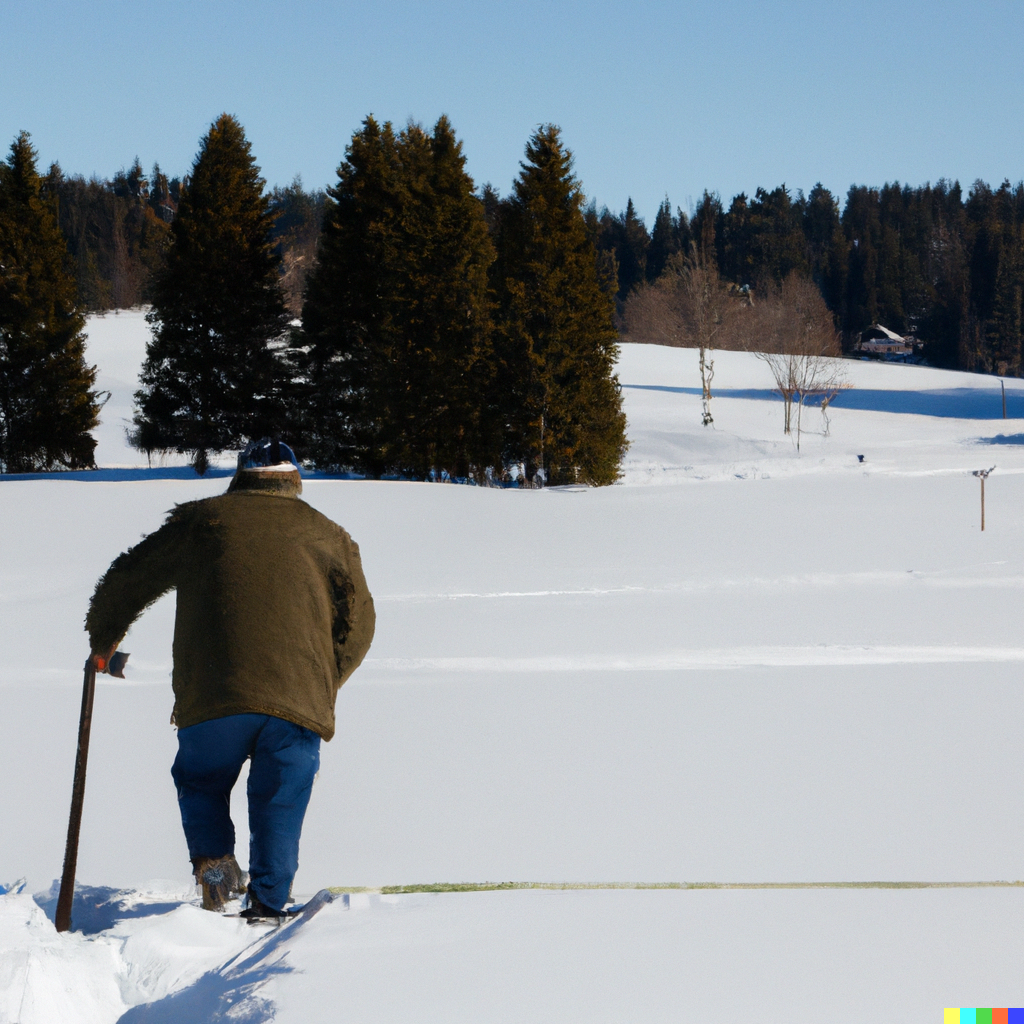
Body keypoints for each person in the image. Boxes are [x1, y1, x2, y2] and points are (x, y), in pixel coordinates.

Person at [86, 439, 375, 919]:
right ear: (294, 478)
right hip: (298, 700)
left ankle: (217, 876)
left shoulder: (203, 521)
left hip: (213, 693)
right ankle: (267, 901)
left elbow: (130, 576)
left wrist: (103, 641)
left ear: (241, 475)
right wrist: (322, 680)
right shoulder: (328, 535)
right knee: (281, 795)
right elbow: (359, 623)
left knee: (201, 781)